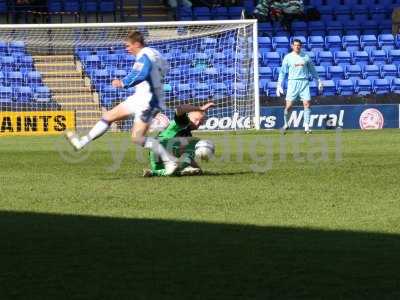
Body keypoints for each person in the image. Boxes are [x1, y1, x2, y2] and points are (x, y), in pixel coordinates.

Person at [65, 31, 179, 175]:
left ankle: (169, 160)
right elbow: (164, 68)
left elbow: (141, 73)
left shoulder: (144, 54)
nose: (126, 48)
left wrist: (123, 82)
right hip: (142, 97)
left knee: (137, 138)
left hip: (147, 101)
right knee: (109, 117)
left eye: (128, 45)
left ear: (136, 44)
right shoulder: (155, 53)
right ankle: (82, 142)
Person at [143, 102, 215, 177]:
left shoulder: (187, 132)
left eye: (200, 123)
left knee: (174, 170)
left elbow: (187, 157)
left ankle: (154, 172)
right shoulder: (184, 122)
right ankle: (179, 170)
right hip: (162, 149)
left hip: (156, 157)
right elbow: (179, 109)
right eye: (196, 119)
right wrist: (200, 108)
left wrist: (198, 169)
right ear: (189, 116)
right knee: (194, 142)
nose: (197, 124)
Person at [277, 39, 323, 134]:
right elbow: (282, 72)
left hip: (304, 83)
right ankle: (286, 124)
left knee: (307, 104)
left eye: (299, 45)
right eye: (295, 45)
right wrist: (279, 84)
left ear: (301, 46)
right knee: (288, 106)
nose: (297, 47)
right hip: (292, 83)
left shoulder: (305, 57)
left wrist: (318, 80)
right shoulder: (288, 57)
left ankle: (306, 127)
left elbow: (312, 70)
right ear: (292, 46)